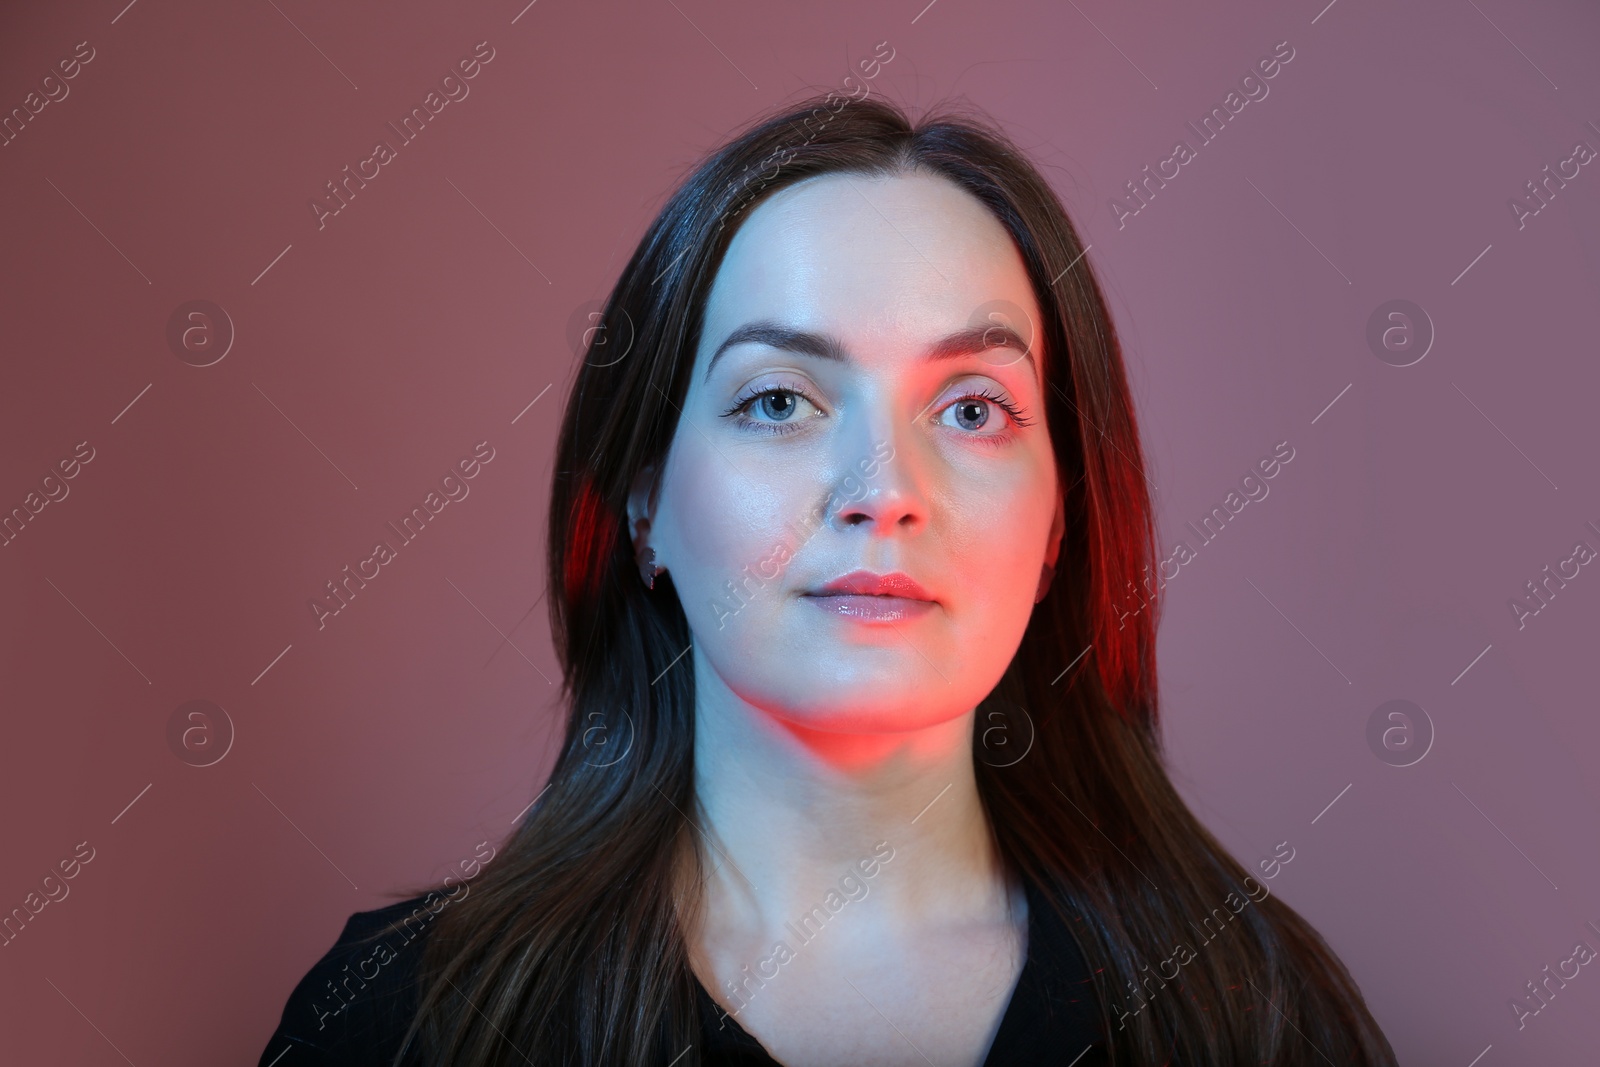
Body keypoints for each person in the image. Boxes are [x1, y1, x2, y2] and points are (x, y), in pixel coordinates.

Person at [258, 90, 1398, 1067]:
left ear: (1061, 519)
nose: (881, 488)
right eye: (778, 401)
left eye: (971, 409)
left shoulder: (1255, 1016)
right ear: (644, 502)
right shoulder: (404, 1022)